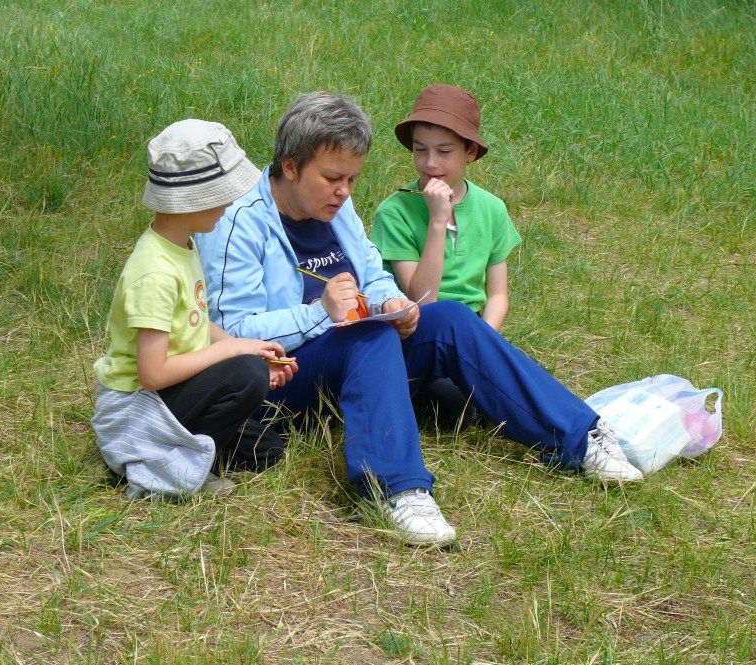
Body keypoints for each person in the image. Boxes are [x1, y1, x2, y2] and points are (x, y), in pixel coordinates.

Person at [195, 93, 643, 547]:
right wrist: (320, 314)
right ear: (290, 167)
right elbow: (234, 335)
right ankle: (398, 490)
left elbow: (373, 273)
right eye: (332, 178)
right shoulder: (239, 222)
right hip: (283, 376)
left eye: (352, 178)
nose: (344, 191)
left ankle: (581, 437)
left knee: (448, 317)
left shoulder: (335, 206)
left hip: (354, 347)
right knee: (369, 339)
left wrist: (392, 302)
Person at [91, 119, 297, 500]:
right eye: (222, 194)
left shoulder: (183, 245)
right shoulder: (155, 272)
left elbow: (197, 322)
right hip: (135, 412)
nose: (230, 203)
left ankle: (189, 451)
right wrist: (235, 353)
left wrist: (250, 347)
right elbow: (152, 373)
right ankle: (160, 463)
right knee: (248, 376)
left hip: (165, 398)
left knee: (267, 448)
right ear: (194, 198)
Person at [370, 84, 520, 428]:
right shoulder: (395, 212)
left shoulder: (492, 209)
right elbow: (423, 300)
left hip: (475, 330)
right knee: (459, 410)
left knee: (517, 385)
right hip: (421, 334)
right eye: (420, 150)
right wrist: (438, 220)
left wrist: (484, 343)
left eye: (444, 151)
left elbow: (498, 294)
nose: (430, 163)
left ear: (470, 151)